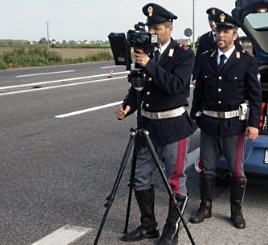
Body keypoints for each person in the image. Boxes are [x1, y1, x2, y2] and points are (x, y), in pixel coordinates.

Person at [114, 3, 197, 244]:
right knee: (139, 176)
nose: (153, 31)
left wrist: (149, 64)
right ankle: (148, 224)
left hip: (173, 126)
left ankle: (171, 232)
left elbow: (176, 86)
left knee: (175, 180)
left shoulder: (183, 54)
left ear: (169, 29)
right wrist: (127, 106)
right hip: (148, 126)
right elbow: (139, 86)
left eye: (158, 27)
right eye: (151, 27)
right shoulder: (144, 52)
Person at [189, 11, 261, 229]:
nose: (221, 34)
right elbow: (199, 91)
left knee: (237, 171)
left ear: (234, 35)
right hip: (209, 124)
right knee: (207, 169)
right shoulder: (205, 58)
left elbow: (255, 96)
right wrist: (194, 116)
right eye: (218, 30)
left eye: (226, 31)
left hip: (234, 126)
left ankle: (236, 211)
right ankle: (205, 207)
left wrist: (253, 123)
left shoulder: (247, 61)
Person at [192, 7, 243, 85]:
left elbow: (239, 55)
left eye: (214, 21)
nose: (212, 24)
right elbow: (198, 60)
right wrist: (195, 77)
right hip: (209, 77)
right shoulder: (204, 38)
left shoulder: (232, 37)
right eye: (210, 20)